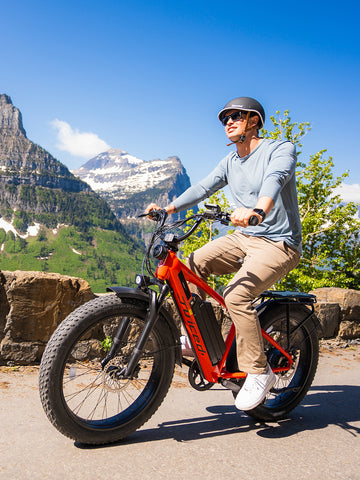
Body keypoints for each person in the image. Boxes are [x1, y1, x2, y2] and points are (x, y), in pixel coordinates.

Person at [146, 96, 302, 411]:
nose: (228, 121)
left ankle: (259, 372)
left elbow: (276, 178)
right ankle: (198, 338)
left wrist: (259, 209)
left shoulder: (279, 149)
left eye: (235, 116)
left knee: (236, 296)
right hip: (245, 236)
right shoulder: (230, 161)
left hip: (279, 243)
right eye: (224, 118)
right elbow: (203, 187)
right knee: (190, 265)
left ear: (254, 120)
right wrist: (168, 209)